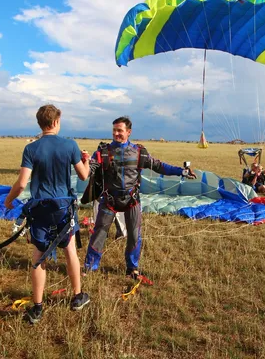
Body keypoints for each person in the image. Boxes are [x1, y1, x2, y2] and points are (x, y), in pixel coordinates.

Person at [4, 104, 91, 324]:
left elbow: (22, 182)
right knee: (70, 250)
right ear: (55, 122)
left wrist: (8, 200)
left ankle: (37, 308)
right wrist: (87, 160)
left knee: (38, 256)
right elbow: (83, 176)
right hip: (63, 209)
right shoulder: (70, 145)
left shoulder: (31, 149)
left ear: (40, 123)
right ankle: (77, 297)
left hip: (40, 210)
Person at [83, 116, 196, 278]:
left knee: (134, 235)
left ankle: (132, 268)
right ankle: (90, 266)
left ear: (128, 132)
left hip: (132, 200)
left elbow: (159, 166)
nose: (116, 134)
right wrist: (83, 161)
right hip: (109, 200)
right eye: (114, 130)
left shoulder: (139, 152)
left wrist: (182, 171)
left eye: (120, 131)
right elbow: (90, 168)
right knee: (99, 233)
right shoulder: (103, 152)